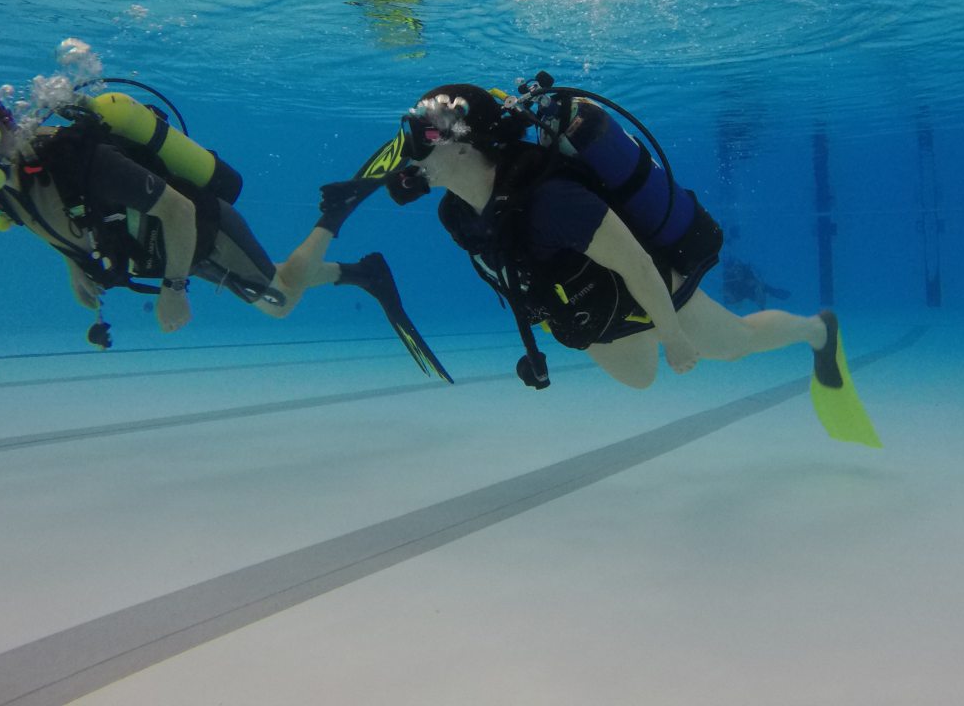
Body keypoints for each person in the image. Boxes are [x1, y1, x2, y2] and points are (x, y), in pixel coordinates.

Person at [352, 76, 878, 444]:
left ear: (463, 149)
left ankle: (818, 331)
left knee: (733, 344)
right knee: (640, 379)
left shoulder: (553, 201)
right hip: (594, 309)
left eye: (419, 139)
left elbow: (637, 265)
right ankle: (652, 333)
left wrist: (672, 333)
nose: (407, 153)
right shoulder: (457, 215)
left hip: (648, 284)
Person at [0, 47, 447, 378]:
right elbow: (51, 223)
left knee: (279, 301)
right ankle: (363, 273)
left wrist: (173, 290)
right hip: (167, 251)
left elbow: (179, 208)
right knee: (278, 290)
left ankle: (337, 210)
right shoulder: (3, 188)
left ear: (2, 120)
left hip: (199, 232)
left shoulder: (80, 161)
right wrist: (73, 263)